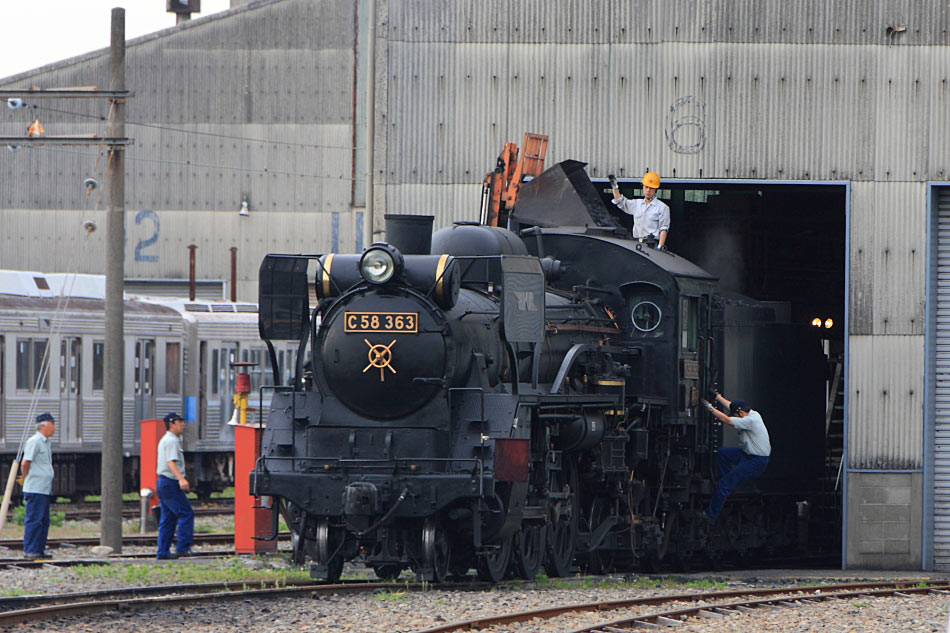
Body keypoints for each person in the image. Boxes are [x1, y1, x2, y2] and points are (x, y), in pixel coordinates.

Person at [700, 392, 771, 520]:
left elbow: (726, 420)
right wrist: (717, 397)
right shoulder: (750, 413)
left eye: (736, 416)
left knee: (723, 485)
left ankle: (710, 514)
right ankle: (728, 481)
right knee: (722, 453)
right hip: (747, 454)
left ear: (741, 414)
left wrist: (709, 408)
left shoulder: (750, 421)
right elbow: (731, 406)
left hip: (756, 461)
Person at [155, 412, 194, 559]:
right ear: (172, 424)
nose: (182, 424)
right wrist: (181, 479)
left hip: (163, 482)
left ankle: (163, 552)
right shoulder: (172, 441)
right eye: (180, 422)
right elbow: (171, 462)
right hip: (170, 482)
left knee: (168, 519)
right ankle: (183, 548)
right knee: (186, 513)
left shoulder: (166, 439)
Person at [20, 412, 56, 559]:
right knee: (34, 519)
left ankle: (39, 550)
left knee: (43, 521)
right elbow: (25, 462)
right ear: (43, 426)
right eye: (52, 425)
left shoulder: (46, 443)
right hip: (35, 488)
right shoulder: (34, 441)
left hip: (44, 488)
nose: (54, 428)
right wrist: (27, 478)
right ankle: (31, 550)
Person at [608, 171, 671, 249]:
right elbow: (620, 202)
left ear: (655, 190)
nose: (648, 190)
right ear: (643, 187)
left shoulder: (662, 207)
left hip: (652, 245)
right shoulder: (637, 204)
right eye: (646, 187)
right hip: (636, 243)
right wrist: (614, 187)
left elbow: (663, 229)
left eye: (651, 188)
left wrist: (660, 247)